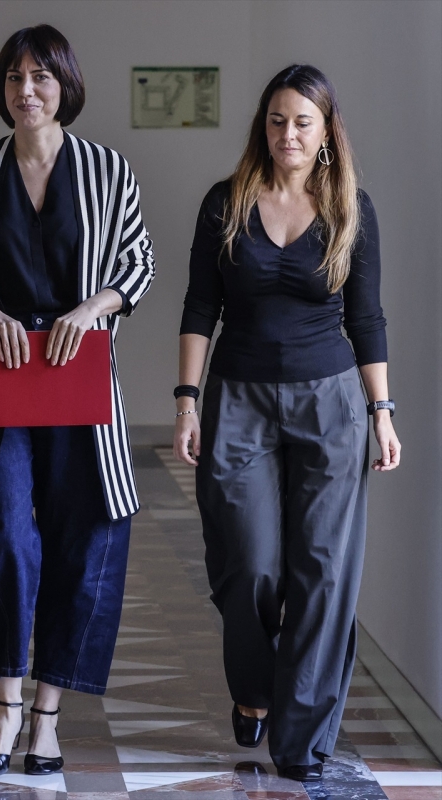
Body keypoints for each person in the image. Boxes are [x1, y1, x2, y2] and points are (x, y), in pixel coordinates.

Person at [0, 25, 155, 777]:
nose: (26, 89)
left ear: (66, 86)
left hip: (79, 382)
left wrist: (96, 307)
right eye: (15, 76)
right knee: (1, 537)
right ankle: (6, 703)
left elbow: (139, 262)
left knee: (84, 538)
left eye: (41, 76)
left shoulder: (108, 171)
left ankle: (47, 719)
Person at [174, 64, 399, 783]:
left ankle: (301, 742)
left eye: (303, 121)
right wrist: (185, 396)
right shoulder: (226, 203)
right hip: (238, 399)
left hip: (331, 404)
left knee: (325, 571)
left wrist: (382, 414)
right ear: (262, 127)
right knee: (249, 566)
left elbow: (366, 318)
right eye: (277, 120)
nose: (288, 134)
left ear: (327, 130)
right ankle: (254, 687)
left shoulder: (349, 209)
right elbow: (198, 305)